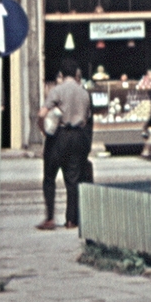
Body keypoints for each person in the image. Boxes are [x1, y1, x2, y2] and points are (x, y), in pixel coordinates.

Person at [38, 71, 93, 230]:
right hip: (77, 137)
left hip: (58, 137)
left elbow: (41, 113)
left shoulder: (58, 90)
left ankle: (50, 218)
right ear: (76, 75)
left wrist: (43, 129)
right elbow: (87, 118)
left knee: (49, 177)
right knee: (72, 180)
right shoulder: (84, 93)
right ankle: (71, 220)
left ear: (61, 74)